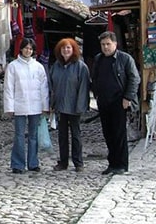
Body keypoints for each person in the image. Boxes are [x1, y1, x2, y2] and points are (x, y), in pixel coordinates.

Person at [90, 30, 140, 175]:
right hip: (104, 102)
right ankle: (112, 164)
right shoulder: (99, 59)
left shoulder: (125, 59)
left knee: (119, 134)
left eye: (108, 44)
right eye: (103, 44)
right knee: (108, 134)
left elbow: (134, 79)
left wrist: (128, 98)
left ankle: (122, 165)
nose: (106, 47)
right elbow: (95, 78)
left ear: (115, 44)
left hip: (120, 101)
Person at [2, 37, 49, 173]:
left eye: (30, 48)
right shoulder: (13, 66)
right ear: (21, 49)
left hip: (35, 105)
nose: (28, 50)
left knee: (34, 135)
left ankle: (33, 162)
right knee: (19, 135)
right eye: (26, 48)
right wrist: (9, 107)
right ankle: (18, 164)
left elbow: (44, 88)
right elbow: (9, 88)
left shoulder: (38, 67)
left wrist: (45, 105)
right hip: (19, 105)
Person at [48, 37, 91, 172]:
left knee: (76, 135)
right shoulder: (56, 66)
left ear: (73, 50)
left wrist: (81, 106)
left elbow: (84, 87)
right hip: (60, 106)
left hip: (74, 106)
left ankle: (78, 162)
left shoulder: (80, 66)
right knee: (62, 136)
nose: (66, 50)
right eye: (63, 48)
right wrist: (51, 104)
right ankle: (63, 162)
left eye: (68, 48)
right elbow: (51, 86)